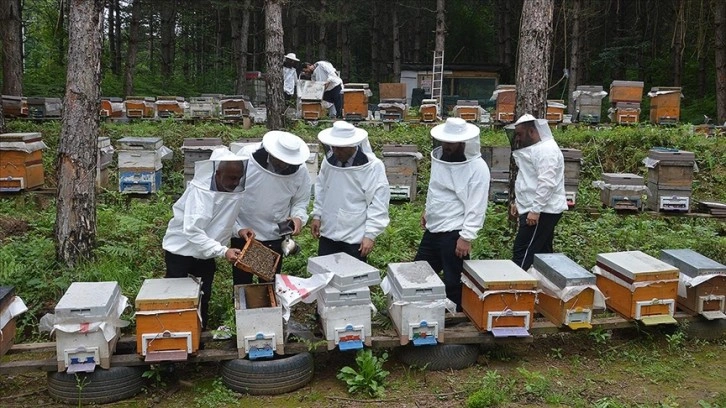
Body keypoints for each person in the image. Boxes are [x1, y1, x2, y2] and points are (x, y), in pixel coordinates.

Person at [162, 147, 251, 330]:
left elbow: (219, 220)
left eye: (238, 178)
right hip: (181, 254)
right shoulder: (201, 193)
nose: (235, 182)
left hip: (205, 254)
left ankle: (198, 336)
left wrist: (239, 230)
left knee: (203, 295)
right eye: (231, 177)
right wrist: (223, 251)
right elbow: (193, 231)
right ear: (218, 173)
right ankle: (173, 336)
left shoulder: (227, 190)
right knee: (178, 299)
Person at [414, 117, 490, 310]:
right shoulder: (441, 159)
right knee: (417, 272)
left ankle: (456, 318)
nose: (446, 146)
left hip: (455, 232)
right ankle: (416, 310)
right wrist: (428, 210)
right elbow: (436, 188)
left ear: (463, 142)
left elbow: (477, 205)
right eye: (444, 141)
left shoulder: (478, 168)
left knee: (453, 280)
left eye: (451, 143)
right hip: (434, 228)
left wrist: (466, 236)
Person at [231, 131, 312, 285]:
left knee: (268, 286)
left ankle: (267, 310)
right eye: (281, 160)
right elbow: (230, 193)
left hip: (274, 236)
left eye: (288, 161)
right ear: (271, 152)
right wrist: (235, 227)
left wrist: (298, 218)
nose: (284, 165)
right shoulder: (247, 157)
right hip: (244, 233)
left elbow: (300, 201)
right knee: (242, 285)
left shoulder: (300, 171)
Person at [310, 121, 390, 261]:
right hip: (328, 232)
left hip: (355, 237)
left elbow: (378, 202)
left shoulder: (373, 167)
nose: (336, 151)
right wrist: (317, 215)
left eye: (341, 148)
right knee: (324, 276)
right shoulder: (329, 161)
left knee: (353, 280)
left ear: (352, 145)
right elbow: (321, 188)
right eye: (334, 147)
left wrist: (370, 235)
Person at [509, 113, 568, 271]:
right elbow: (528, 180)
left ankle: (516, 288)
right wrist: (518, 203)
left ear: (532, 132)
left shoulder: (546, 150)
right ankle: (546, 291)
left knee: (523, 252)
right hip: (537, 208)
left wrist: (535, 211)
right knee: (543, 254)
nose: (518, 138)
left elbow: (546, 183)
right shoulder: (537, 149)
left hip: (542, 211)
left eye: (520, 134)